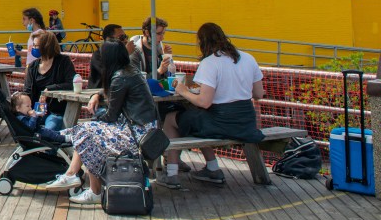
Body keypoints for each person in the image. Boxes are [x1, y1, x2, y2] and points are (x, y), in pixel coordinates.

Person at [47, 41, 158, 204]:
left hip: (138, 135)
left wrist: (93, 117)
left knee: (86, 131)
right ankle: (83, 183)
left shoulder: (120, 77)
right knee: (86, 132)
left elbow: (111, 116)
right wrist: (98, 96)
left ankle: (80, 181)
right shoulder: (130, 71)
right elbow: (115, 96)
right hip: (145, 129)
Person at [160, 23, 266, 188]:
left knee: (171, 119)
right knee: (197, 120)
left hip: (222, 123)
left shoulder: (210, 62)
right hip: (246, 122)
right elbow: (259, 94)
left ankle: (172, 174)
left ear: (202, 42)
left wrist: (182, 90)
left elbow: (204, 102)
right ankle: (212, 168)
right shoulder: (248, 58)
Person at [23, 30, 77, 131]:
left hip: (55, 112)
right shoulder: (32, 66)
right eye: (33, 45)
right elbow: (27, 91)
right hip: (36, 111)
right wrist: (27, 110)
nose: (33, 48)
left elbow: (71, 84)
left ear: (46, 46)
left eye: (36, 46)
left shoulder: (63, 61)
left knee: (49, 129)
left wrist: (50, 89)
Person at [88, 24, 135, 89]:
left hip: (118, 90)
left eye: (126, 37)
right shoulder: (98, 55)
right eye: (121, 37)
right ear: (109, 40)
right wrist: (125, 53)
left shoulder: (124, 53)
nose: (125, 40)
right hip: (99, 92)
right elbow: (112, 73)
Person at [130, 17, 175, 81]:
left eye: (163, 33)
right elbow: (136, 80)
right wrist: (159, 71)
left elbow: (169, 76)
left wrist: (167, 57)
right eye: (159, 33)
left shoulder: (159, 48)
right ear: (147, 32)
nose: (162, 38)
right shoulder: (134, 51)